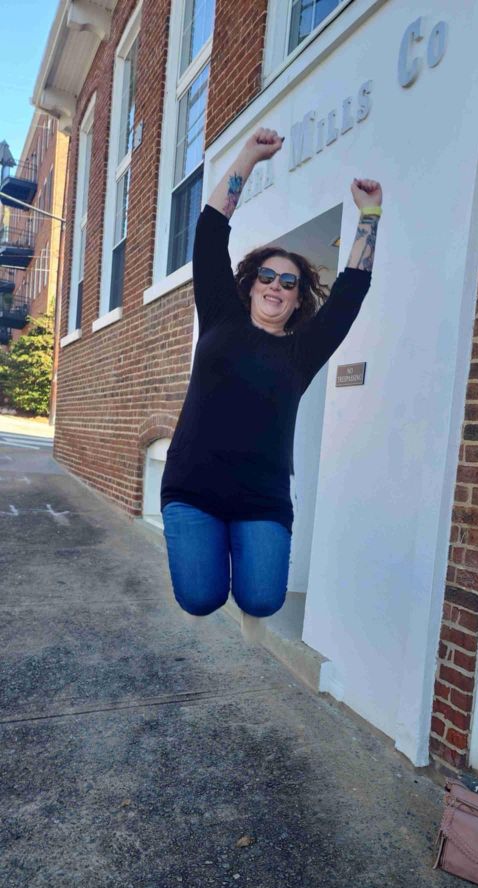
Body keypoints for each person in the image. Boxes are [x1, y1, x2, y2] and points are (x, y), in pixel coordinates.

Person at [161, 127, 382, 642]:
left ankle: (248, 590)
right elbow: (210, 232)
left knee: (263, 599)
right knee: (199, 598)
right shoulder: (221, 315)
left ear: (299, 296)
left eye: (289, 282)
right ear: (251, 282)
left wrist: (370, 214)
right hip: (192, 487)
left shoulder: (304, 350)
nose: (276, 286)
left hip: (262, 497)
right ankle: (206, 579)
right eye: (267, 276)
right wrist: (248, 157)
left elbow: (352, 290)